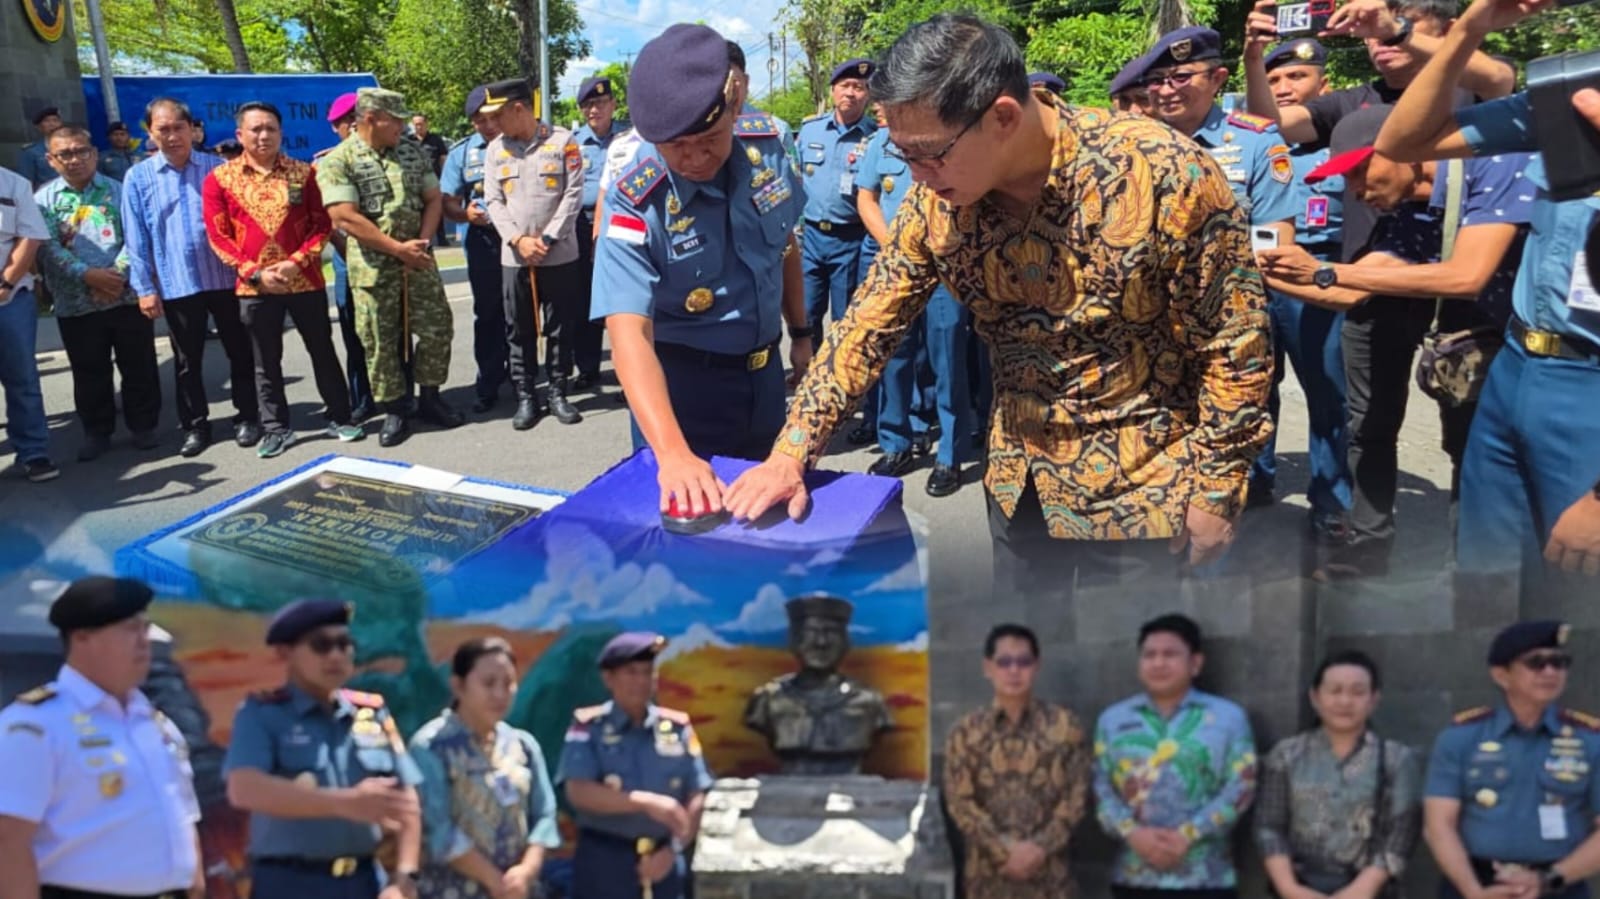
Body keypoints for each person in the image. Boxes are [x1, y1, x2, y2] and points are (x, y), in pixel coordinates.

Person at [724, 14, 1272, 596]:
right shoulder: (938, 204)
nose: (917, 176)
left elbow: (1235, 343)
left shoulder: (1160, 172)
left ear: (1004, 117)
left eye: (929, 155)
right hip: (1019, 482)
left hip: (1144, 491)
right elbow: (865, 324)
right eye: (902, 155)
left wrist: (1218, 485)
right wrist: (791, 452)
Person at [1373, 0, 1600, 598]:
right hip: (1516, 370)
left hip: (1590, 392)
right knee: (1489, 582)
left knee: (1577, 598)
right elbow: (1403, 140)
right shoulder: (1569, 95)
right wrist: (1468, 29)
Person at [1258, 105, 1533, 575]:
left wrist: (1324, 269)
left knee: (1481, 455)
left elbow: (1466, 277)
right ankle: (1381, 553)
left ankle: (1481, 571)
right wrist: (1262, 270)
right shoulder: (1411, 214)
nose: (1356, 191)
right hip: (1477, 346)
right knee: (1379, 430)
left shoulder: (1496, 166)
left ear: (1409, 151)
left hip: (1535, 354)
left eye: (1362, 171)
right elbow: (1352, 289)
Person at [589, 23, 810, 512]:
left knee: (773, 524)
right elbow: (628, 333)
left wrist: (802, 334)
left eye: (709, 138)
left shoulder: (767, 147)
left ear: (734, 105)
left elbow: (784, 246)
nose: (693, 158)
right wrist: (672, 453)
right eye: (675, 146)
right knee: (690, 546)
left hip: (766, 382)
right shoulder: (635, 198)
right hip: (684, 396)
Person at [0, 576, 203, 899]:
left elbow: (183, 815)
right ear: (82, 637)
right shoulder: (35, 725)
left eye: (144, 628)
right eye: (128, 629)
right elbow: (8, 840)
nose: (143, 641)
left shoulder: (157, 724)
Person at [223, 599, 423, 899]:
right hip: (290, 883)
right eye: (321, 645)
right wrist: (342, 803)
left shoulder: (372, 712)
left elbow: (407, 802)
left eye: (344, 644)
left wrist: (404, 878)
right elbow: (244, 789)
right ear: (285, 652)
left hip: (366, 881)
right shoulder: (261, 714)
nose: (336, 655)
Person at [203, 100, 363, 459]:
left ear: (281, 133)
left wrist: (295, 263)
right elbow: (218, 236)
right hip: (254, 286)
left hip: (304, 280)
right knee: (264, 360)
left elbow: (322, 225)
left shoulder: (303, 173)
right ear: (239, 134)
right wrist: (255, 272)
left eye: (270, 129)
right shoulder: (219, 179)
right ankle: (276, 427)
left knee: (322, 349)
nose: (263, 135)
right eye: (255, 129)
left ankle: (340, 415)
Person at [1246, 37, 1354, 543]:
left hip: (1315, 277)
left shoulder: (1346, 139)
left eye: (1297, 78)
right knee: (1252, 385)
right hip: (1252, 275)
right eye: (1274, 80)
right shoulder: (1248, 142)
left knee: (1327, 393)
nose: (1285, 88)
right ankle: (1252, 479)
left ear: (1323, 86)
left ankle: (1331, 499)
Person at [316, 87, 463, 448]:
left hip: (418, 261)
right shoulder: (339, 161)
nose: (402, 125)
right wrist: (398, 249)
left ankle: (430, 397)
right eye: (394, 119)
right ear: (370, 118)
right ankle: (396, 409)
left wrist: (422, 243)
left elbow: (432, 199)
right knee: (380, 342)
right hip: (373, 268)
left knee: (436, 329)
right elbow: (345, 218)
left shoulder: (412, 151)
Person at [121, 96, 261, 459]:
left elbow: (243, 223)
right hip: (177, 283)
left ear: (192, 129)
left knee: (241, 351)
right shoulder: (138, 177)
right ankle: (196, 425)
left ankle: (247, 416)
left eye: (178, 128)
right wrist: (145, 288)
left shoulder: (219, 169)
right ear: (150, 133)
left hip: (227, 279)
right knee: (187, 362)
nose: (171, 136)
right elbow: (136, 237)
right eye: (162, 129)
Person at [1422, 620, 1600, 899]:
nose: (1550, 671)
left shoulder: (1591, 740)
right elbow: (1438, 825)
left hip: (1560, 884)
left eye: (1559, 662)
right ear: (1501, 675)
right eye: (1536, 663)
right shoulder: (1461, 738)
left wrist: (1549, 880)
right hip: (1474, 882)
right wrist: (1473, 891)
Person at [1093, 614, 1258, 898]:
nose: (1158, 663)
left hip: (1207, 878)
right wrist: (1133, 834)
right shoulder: (1113, 720)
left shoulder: (1228, 718)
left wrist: (1188, 835)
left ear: (1195, 663)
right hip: (1135, 877)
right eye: (1149, 655)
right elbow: (1101, 789)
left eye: (1170, 654)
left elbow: (1241, 787)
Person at [853, 115, 972, 496]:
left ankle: (950, 456)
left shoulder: (952, 134)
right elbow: (866, 198)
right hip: (898, 266)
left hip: (944, 267)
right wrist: (897, 247)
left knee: (948, 359)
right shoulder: (880, 143)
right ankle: (896, 443)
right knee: (894, 357)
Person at [34, 124, 162, 462]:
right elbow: (47, 250)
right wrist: (89, 276)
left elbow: (136, 238)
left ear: (94, 153)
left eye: (82, 151)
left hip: (124, 296)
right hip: (76, 303)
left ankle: (143, 425)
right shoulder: (43, 201)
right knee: (89, 370)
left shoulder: (119, 191)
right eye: (66, 154)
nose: (75, 159)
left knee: (139, 365)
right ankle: (97, 431)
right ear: (51, 159)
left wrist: (115, 276)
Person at [557, 632, 714, 899]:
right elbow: (579, 791)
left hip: (665, 860)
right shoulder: (588, 727)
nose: (641, 681)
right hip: (605, 861)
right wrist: (645, 803)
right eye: (631, 672)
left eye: (647, 672)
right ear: (609, 678)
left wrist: (673, 848)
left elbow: (698, 792)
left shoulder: (677, 728)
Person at [1256, 650, 1423, 898]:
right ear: (1315, 697)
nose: (1345, 701)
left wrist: (1362, 889)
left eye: (1357, 692)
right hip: (1299, 886)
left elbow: (1402, 833)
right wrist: (1289, 888)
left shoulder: (1396, 759)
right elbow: (1269, 826)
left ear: (1374, 699)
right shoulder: (1286, 755)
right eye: (1335, 691)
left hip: (1369, 890)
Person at [942, 623, 1090, 898]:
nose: (1014, 671)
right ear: (988, 668)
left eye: (1023, 661)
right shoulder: (965, 732)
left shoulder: (1065, 726)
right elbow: (960, 803)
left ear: (1037, 666)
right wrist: (1003, 851)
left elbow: (1076, 798)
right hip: (987, 881)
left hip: (1050, 879)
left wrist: (1038, 849)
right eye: (1004, 662)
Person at [409, 637, 560, 899]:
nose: (500, 694)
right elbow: (439, 830)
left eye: (508, 683)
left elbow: (545, 814)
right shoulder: (431, 746)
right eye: (489, 683)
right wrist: (495, 881)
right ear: (458, 685)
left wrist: (526, 871)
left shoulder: (523, 746)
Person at [481, 77, 586, 429]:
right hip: (515, 258)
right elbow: (493, 200)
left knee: (560, 327)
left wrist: (548, 238)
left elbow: (573, 196)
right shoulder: (496, 150)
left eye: (498, 115)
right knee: (519, 329)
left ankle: (558, 392)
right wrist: (517, 240)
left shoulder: (563, 142)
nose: (493, 124)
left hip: (558, 255)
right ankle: (527, 396)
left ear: (519, 108)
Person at [743, 594, 893, 775]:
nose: (821, 643)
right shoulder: (768, 699)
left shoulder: (869, 701)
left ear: (846, 642)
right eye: (811, 633)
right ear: (793, 641)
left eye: (831, 633)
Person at [797, 58, 877, 349]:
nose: (851, 93)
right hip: (812, 238)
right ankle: (811, 372)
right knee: (805, 313)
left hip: (850, 240)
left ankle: (841, 382)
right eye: (845, 86)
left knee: (845, 318)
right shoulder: (810, 131)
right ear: (832, 91)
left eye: (859, 87)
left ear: (867, 95)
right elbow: (795, 182)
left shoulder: (876, 137)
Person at [440, 85, 508, 415]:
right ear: (472, 123)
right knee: (489, 313)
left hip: (518, 240)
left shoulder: (520, 145)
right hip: (482, 243)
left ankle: (527, 380)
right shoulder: (461, 154)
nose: (489, 125)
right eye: (481, 120)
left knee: (522, 312)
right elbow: (448, 204)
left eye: (494, 117)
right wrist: (465, 215)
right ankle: (490, 382)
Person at [319, 92, 379, 424]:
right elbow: (327, 219)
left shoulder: (387, 156)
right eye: (347, 123)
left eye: (359, 120)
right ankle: (363, 398)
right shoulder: (327, 163)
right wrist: (347, 250)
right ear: (336, 128)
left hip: (386, 256)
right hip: (348, 260)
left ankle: (401, 396)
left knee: (393, 329)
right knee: (355, 332)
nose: (354, 127)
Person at [0, 162, 59, 482]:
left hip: (9, 300)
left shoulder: (13, 184)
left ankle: (33, 452)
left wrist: (6, 284)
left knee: (21, 378)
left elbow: (30, 237)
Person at [572, 75, 626, 394]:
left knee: (623, 301)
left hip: (622, 226)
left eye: (600, 103)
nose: (595, 110)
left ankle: (627, 370)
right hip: (581, 225)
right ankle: (588, 368)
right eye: (588, 105)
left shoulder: (631, 137)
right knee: (585, 301)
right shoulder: (571, 143)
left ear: (613, 105)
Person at [19, 106, 63, 189]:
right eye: (47, 121)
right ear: (39, 127)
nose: (52, 124)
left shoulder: (72, 148)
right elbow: (26, 182)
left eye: (55, 120)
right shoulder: (31, 152)